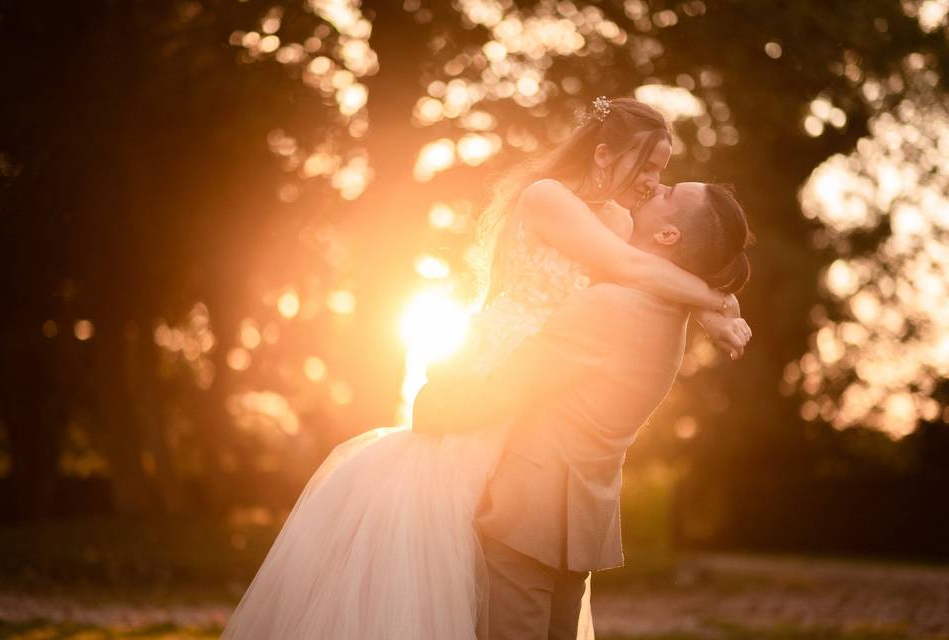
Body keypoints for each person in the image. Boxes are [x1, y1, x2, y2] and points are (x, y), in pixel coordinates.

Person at [220, 97, 751, 640]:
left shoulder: (618, 222)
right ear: (603, 154)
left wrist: (711, 306)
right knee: (438, 532)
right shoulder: (549, 197)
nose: (655, 181)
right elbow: (628, 267)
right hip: (504, 356)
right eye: (652, 166)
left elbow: (643, 274)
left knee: (488, 542)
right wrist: (714, 304)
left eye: (663, 172)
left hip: (539, 377)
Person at [414, 181, 753, 639]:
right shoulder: (671, 318)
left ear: (669, 235)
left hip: (526, 518)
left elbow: (503, 389)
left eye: (670, 193)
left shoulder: (608, 307)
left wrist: (432, 402)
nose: (657, 186)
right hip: (578, 527)